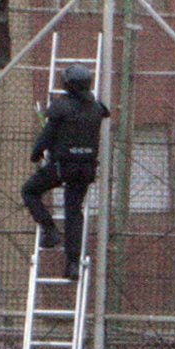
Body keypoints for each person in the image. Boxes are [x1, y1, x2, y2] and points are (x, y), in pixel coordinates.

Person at [23, 63, 109, 281]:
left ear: (69, 85)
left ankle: (50, 230)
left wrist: (36, 153)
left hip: (62, 168)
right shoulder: (97, 109)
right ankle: (72, 264)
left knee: (30, 191)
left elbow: (47, 135)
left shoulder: (61, 108)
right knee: (73, 212)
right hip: (86, 169)